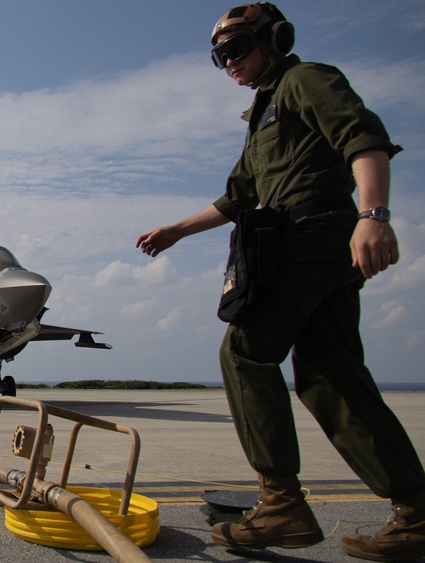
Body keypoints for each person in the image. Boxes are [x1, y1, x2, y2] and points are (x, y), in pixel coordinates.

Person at [134, 3, 425, 560]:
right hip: (308, 238)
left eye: (238, 48)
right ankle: (417, 512)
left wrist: (374, 215)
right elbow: (239, 196)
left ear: (278, 39)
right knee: (331, 376)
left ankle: (281, 503)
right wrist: (177, 230)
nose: (229, 63)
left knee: (245, 353)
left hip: (310, 233)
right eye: (220, 56)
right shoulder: (263, 113)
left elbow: (362, 137)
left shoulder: (304, 80)